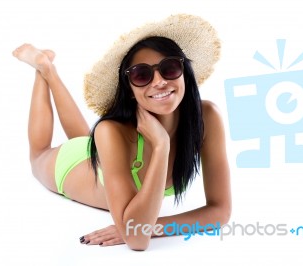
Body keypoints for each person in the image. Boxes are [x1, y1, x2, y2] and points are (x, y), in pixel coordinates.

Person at [12, 14, 231, 251]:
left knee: (85, 139)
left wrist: (152, 226)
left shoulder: (207, 117)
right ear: (129, 90)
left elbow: (220, 211)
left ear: (184, 72)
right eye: (142, 75)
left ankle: (49, 70)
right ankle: (44, 70)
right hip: (69, 167)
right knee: (38, 154)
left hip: (104, 156)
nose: (158, 81)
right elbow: (137, 240)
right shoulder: (109, 131)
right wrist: (160, 146)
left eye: (169, 68)